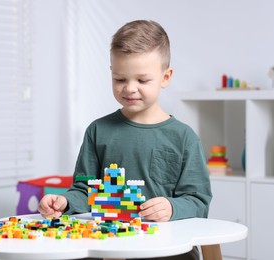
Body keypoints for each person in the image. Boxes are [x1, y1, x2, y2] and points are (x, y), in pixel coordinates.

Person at [38, 19, 212, 260]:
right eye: (120, 79)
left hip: (168, 250)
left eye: (142, 80)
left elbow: (198, 200)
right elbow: (84, 189)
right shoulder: (97, 130)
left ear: (165, 77)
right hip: (110, 247)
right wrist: (64, 202)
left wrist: (172, 207)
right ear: (112, 73)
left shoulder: (184, 138)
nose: (130, 88)